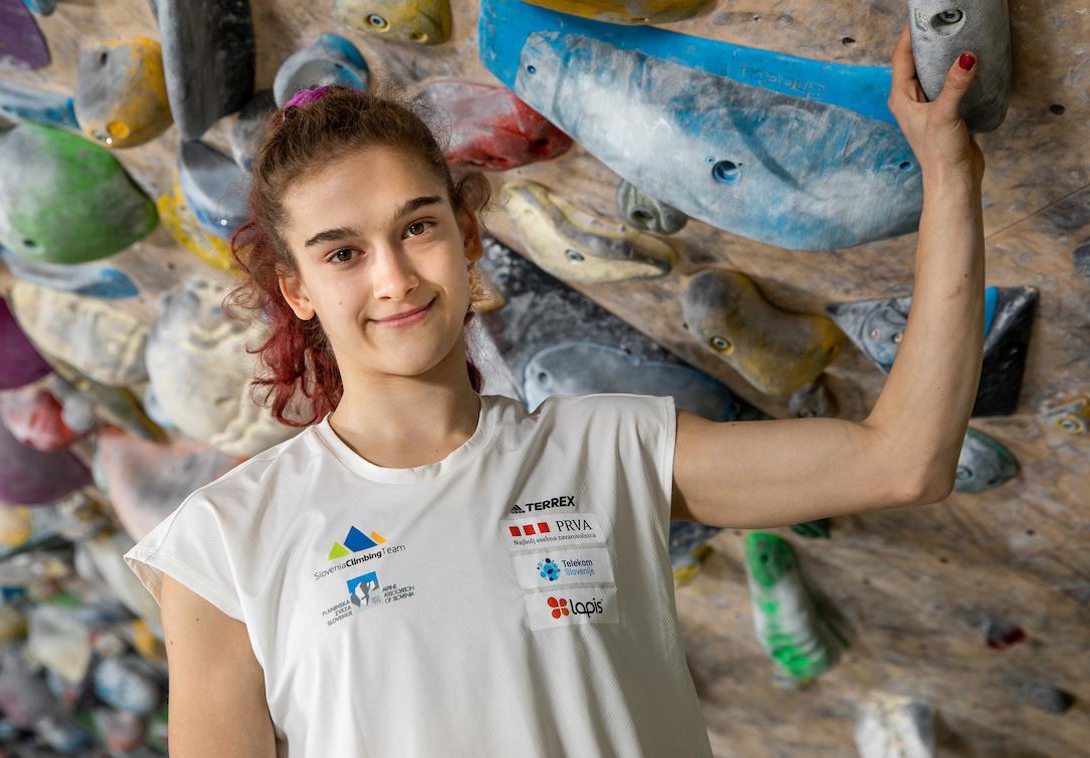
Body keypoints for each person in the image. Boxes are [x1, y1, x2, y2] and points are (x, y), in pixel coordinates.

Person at [123, 22, 985, 758]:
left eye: (417, 227)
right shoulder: (223, 546)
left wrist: (949, 176)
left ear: (466, 238)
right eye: (343, 252)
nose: (393, 278)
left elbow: (904, 459)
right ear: (297, 288)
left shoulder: (610, 451)